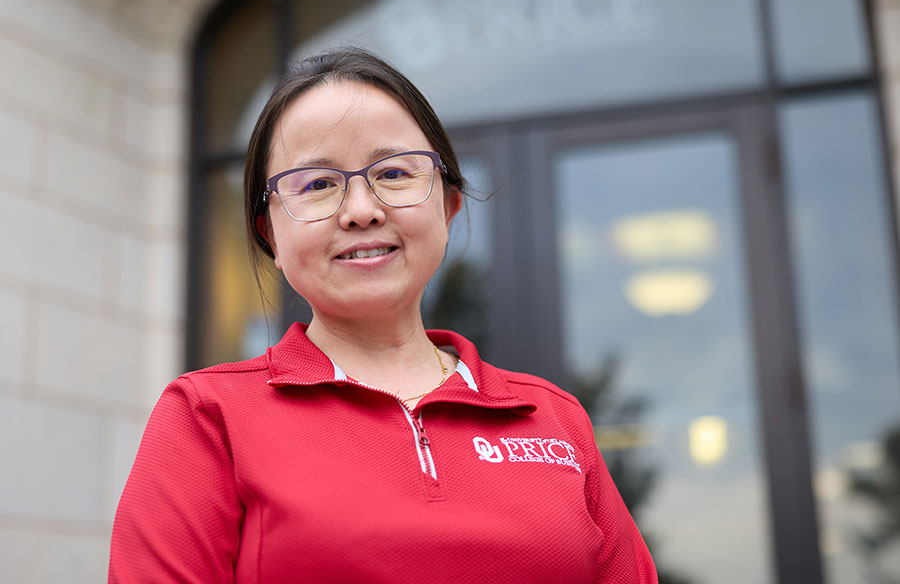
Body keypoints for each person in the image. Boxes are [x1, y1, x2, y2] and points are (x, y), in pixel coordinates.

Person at [109, 47, 657, 583]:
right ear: (269, 234)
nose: (362, 210)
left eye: (394, 173)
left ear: (448, 205)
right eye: (318, 184)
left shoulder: (553, 418)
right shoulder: (208, 417)